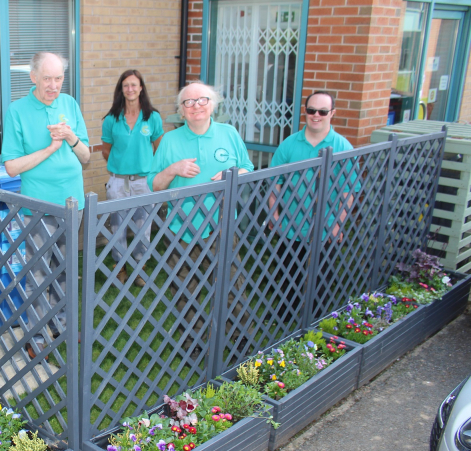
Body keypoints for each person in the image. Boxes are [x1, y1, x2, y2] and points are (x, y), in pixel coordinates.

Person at [148, 81, 253, 345]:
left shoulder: (229, 134)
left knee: (231, 284)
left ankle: (239, 339)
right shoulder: (170, 141)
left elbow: (248, 168)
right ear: (181, 110)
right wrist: (173, 169)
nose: (196, 106)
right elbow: (154, 185)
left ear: (213, 105)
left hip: (221, 225)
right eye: (189, 102)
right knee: (185, 290)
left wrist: (233, 173)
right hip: (180, 229)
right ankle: (192, 344)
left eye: (202, 100)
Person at [2, 51, 90, 362]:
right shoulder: (17, 111)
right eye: (47, 78)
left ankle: (62, 326)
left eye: (59, 78)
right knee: (39, 274)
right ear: (33, 77)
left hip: (73, 203)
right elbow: (12, 167)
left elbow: (86, 157)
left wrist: (71, 138)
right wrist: (51, 148)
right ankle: (37, 336)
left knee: (66, 270)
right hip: (38, 206)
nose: (53, 85)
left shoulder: (69, 104)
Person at [267, 90, 355, 317]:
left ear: (332, 113)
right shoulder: (289, 144)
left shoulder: (343, 146)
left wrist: (338, 225)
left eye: (323, 111)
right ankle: (286, 316)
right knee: (288, 273)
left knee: (321, 277)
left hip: (325, 226)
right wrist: (274, 214)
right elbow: (275, 182)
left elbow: (348, 191)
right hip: (290, 223)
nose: (316, 115)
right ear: (304, 112)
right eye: (311, 110)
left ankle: (317, 319)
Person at [101, 69, 164, 287]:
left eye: (134, 85)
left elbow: (159, 149)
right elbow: (106, 150)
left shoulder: (152, 117)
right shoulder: (111, 119)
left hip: (143, 182)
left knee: (143, 228)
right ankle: (120, 267)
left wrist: (146, 169)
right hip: (118, 181)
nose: (130, 89)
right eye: (126, 85)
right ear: (121, 89)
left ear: (141, 88)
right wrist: (122, 165)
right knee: (117, 227)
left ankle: (139, 268)